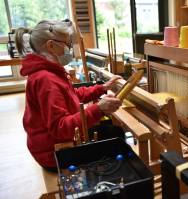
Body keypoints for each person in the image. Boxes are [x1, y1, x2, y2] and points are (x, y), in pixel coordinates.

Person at [15, 19, 122, 171]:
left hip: (51, 143)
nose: (69, 49)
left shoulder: (50, 71)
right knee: (116, 138)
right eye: (67, 44)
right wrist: (98, 109)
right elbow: (60, 128)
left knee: (112, 132)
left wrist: (102, 88)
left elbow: (72, 94)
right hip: (54, 153)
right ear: (51, 45)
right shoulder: (46, 80)